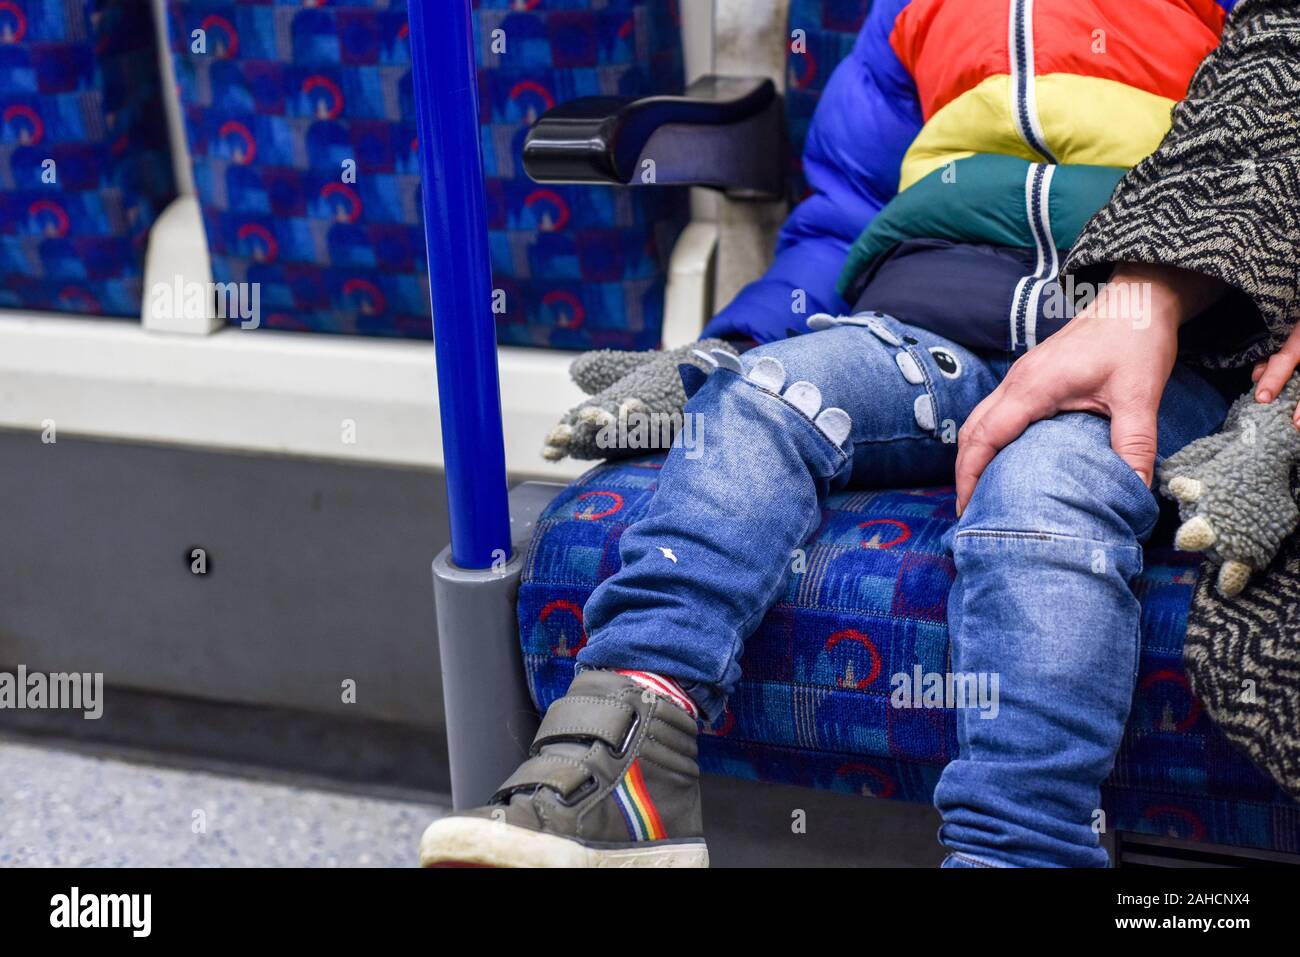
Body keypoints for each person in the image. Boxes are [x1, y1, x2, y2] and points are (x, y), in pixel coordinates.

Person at [420, 0, 1300, 867]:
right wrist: (728, 345)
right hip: (927, 330)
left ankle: (1022, 846)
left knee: (1044, 491)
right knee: (765, 396)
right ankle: (631, 752)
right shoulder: (914, 13)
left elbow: (1263, 172)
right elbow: (841, 211)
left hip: (1148, 352)